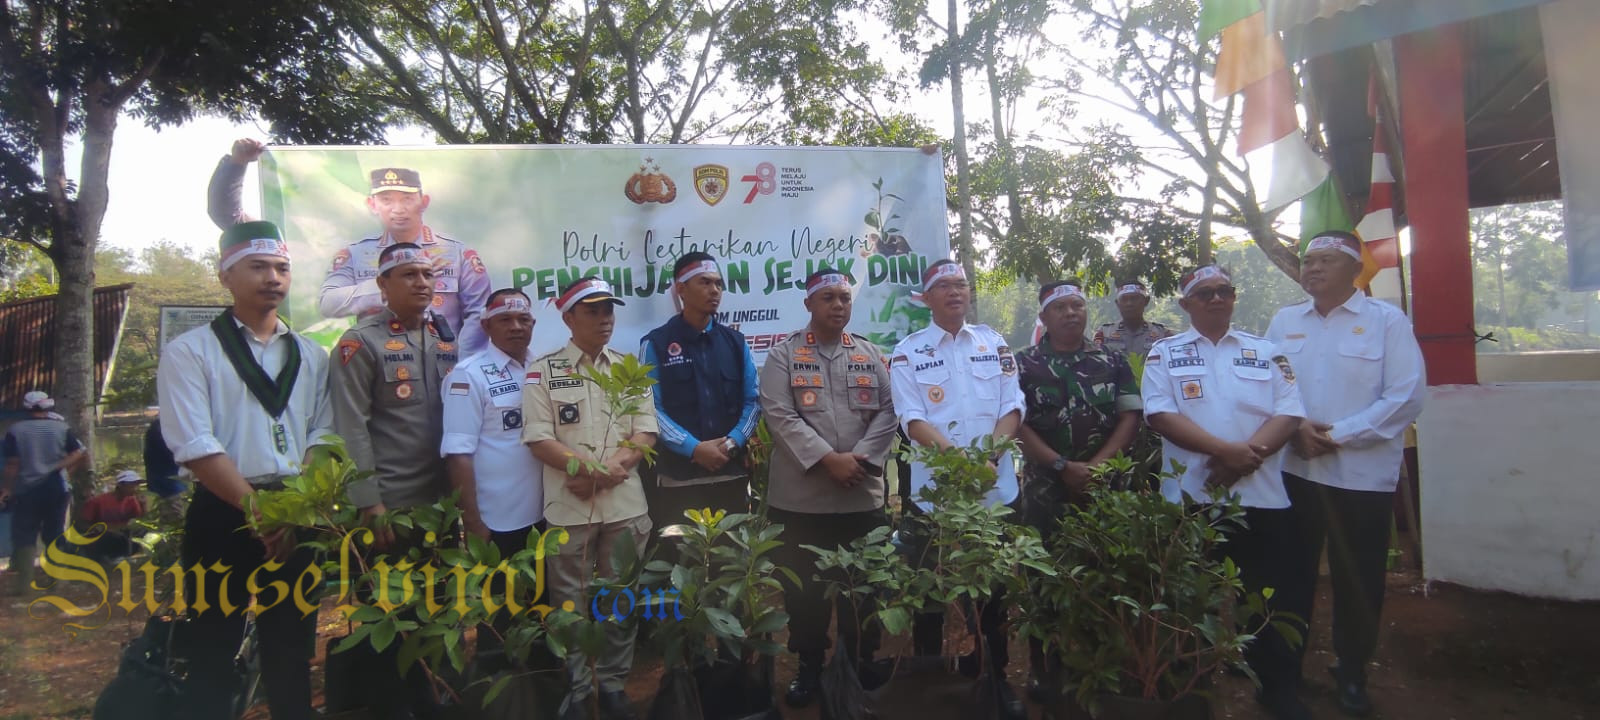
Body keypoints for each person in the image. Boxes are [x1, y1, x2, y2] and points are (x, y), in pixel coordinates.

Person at [156, 220, 333, 720]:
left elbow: (323, 435)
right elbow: (195, 444)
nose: (272, 278)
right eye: (257, 267)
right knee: (213, 641)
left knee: (292, 645)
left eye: (281, 268)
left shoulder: (310, 355)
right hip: (223, 511)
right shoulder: (191, 352)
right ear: (225, 276)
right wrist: (258, 508)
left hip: (295, 515)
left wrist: (293, 507)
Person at [1266, 231, 1426, 717]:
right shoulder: (1284, 321)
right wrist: (1294, 431)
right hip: (1295, 470)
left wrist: (1337, 434)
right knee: (1289, 577)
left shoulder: (1386, 323)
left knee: (1358, 582)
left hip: (1360, 479)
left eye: (1325, 261)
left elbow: (1406, 396)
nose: (1311, 269)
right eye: (1307, 261)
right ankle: (1282, 672)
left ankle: (1351, 672)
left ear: (1354, 268)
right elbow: (1267, 385)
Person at [1141, 264, 1309, 720]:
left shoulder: (1267, 352)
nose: (1217, 299)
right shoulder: (1163, 354)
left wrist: (1242, 460)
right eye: (1205, 293)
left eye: (1224, 291)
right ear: (1185, 304)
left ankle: (1276, 688)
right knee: (1190, 600)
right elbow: (1159, 415)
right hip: (1192, 499)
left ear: (1234, 299)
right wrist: (1227, 453)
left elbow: (1289, 413)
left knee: (1268, 600)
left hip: (1263, 498)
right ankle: (1190, 692)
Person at [887, 259, 1026, 720]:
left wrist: (989, 456)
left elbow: (1013, 405)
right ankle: (933, 677)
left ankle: (994, 676)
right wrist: (963, 463)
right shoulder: (908, 352)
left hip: (995, 495)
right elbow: (912, 420)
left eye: (962, 285)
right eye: (944, 286)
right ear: (925, 299)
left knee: (995, 594)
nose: (955, 292)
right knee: (930, 592)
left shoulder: (994, 343)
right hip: (936, 500)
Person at [328, 241, 459, 718]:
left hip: (440, 505)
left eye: (427, 274)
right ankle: (389, 707)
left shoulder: (445, 337)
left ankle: (430, 702)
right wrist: (369, 501)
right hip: (390, 506)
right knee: (386, 616)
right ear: (383, 285)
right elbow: (350, 428)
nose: (421, 283)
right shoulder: (359, 343)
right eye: (408, 275)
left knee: (437, 608)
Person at [757, 269, 898, 707]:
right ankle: (810, 669)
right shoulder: (783, 356)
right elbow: (779, 416)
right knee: (805, 594)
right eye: (828, 298)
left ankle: (857, 664)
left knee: (866, 588)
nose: (838, 305)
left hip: (860, 496)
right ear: (809, 305)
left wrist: (862, 460)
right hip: (802, 504)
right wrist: (828, 460)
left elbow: (891, 409)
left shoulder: (871, 355)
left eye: (844, 298)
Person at [206, 139, 493, 354]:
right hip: (375, 366)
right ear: (372, 205)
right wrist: (236, 165)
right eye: (387, 200)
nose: (398, 209)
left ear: (424, 202)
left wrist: (459, 362)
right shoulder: (355, 254)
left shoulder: (457, 254)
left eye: (407, 199)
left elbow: (479, 314)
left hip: (443, 366)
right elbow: (328, 303)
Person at [523, 277, 656, 720]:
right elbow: (539, 438)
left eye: (608, 310)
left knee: (619, 599)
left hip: (624, 507)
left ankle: (614, 685)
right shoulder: (543, 370)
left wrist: (600, 477)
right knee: (571, 606)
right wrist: (594, 472)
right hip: (570, 509)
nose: (605, 318)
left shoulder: (628, 368)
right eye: (593, 310)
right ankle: (580, 689)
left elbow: (645, 432)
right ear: (568, 318)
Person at [440, 288, 548, 672]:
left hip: (544, 518)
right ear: (486, 325)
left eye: (523, 319)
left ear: (533, 324)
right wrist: (472, 523)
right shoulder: (468, 377)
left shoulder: (543, 368)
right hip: (496, 524)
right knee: (499, 627)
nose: (516, 327)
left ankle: (542, 691)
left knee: (542, 619)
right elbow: (458, 454)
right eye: (505, 319)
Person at [639, 252, 760, 531]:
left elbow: (753, 402)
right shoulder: (655, 344)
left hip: (731, 476)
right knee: (679, 564)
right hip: (678, 479)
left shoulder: (735, 342)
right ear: (680, 289)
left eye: (718, 284)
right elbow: (650, 408)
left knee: (730, 565)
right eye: (705, 282)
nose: (714, 290)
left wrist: (732, 444)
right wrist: (693, 448)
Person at [2, 390, 88, 595]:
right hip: (56, 488)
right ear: (47, 406)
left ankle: (24, 585)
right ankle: (58, 581)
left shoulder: (16, 431)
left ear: (26, 408)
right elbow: (78, 453)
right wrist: (60, 466)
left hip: (27, 490)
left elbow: (13, 464)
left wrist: (6, 488)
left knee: (24, 534)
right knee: (55, 532)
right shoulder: (61, 428)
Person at [78, 470, 147, 562]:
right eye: (132, 485)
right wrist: (98, 528)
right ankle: (104, 556)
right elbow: (82, 524)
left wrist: (143, 505)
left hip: (123, 534)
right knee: (110, 536)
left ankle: (124, 555)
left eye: (136, 485)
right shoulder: (98, 501)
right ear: (121, 485)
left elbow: (142, 521)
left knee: (142, 531)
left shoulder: (132, 500)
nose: (135, 488)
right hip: (103, 536)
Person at [1093, 279, 1173, 358]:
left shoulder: (1163, 334)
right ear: (1117, 303)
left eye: (1134, 298)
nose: (1129, 303)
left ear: (1146, 301)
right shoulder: (1104, 333)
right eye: (1124, 299)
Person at [142, 419, 188, 521]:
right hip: (170, 485)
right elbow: (176, 455)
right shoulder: (160, 433)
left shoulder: (155, 430)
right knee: (174, 515)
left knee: (168, 512)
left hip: (160, 484)